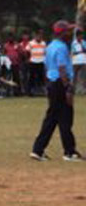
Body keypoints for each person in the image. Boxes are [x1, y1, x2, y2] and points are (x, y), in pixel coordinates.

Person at [30, 21, 81, 162]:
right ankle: (69, 152)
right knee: (65, 117)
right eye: (69, 31)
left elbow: (46, 67)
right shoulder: (62, 48)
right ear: (62, 33)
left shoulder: (50, 46)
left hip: (52, 84)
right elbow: (62, 69)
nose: (71, 34)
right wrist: (68, 88)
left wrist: (49, 85)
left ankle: (38, 150)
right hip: (60, 84)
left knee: (52, 118)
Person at [28, 31, 47, 95]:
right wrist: (29, 59)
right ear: (35, 36)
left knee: (41, 77)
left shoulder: (43, 43)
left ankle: (41, 91)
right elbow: (27, 51)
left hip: (41, 62)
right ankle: (31, 91)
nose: (39, 37)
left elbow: (45, 52)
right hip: (33, 61)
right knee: (32, 77)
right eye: (38, 36)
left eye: (40, 36)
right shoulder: (31, 43)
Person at [71, 28, 86, 95]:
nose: (81, 37)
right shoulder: (74, 43)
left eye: (81, 35)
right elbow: (73, 52)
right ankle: (72, 90)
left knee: (84, 76)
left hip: (84, 61)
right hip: (75, 62)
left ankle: (84, 90)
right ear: (77, 36)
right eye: (80, 35)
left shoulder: (84, 42)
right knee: (74, 76)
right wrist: (80, 51)